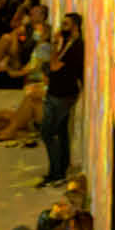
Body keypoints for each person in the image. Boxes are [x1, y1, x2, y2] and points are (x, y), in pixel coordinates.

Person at [38, 13, 85, 187]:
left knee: (47, 132)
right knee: (62, 132)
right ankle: (61, 169)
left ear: (75, 26)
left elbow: (53, 66)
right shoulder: (68, 43)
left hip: (62, 96)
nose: (61, 27)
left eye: (65, 24)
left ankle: (56, 172)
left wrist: (54, 46)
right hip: (57, 93)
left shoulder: (76, 47)